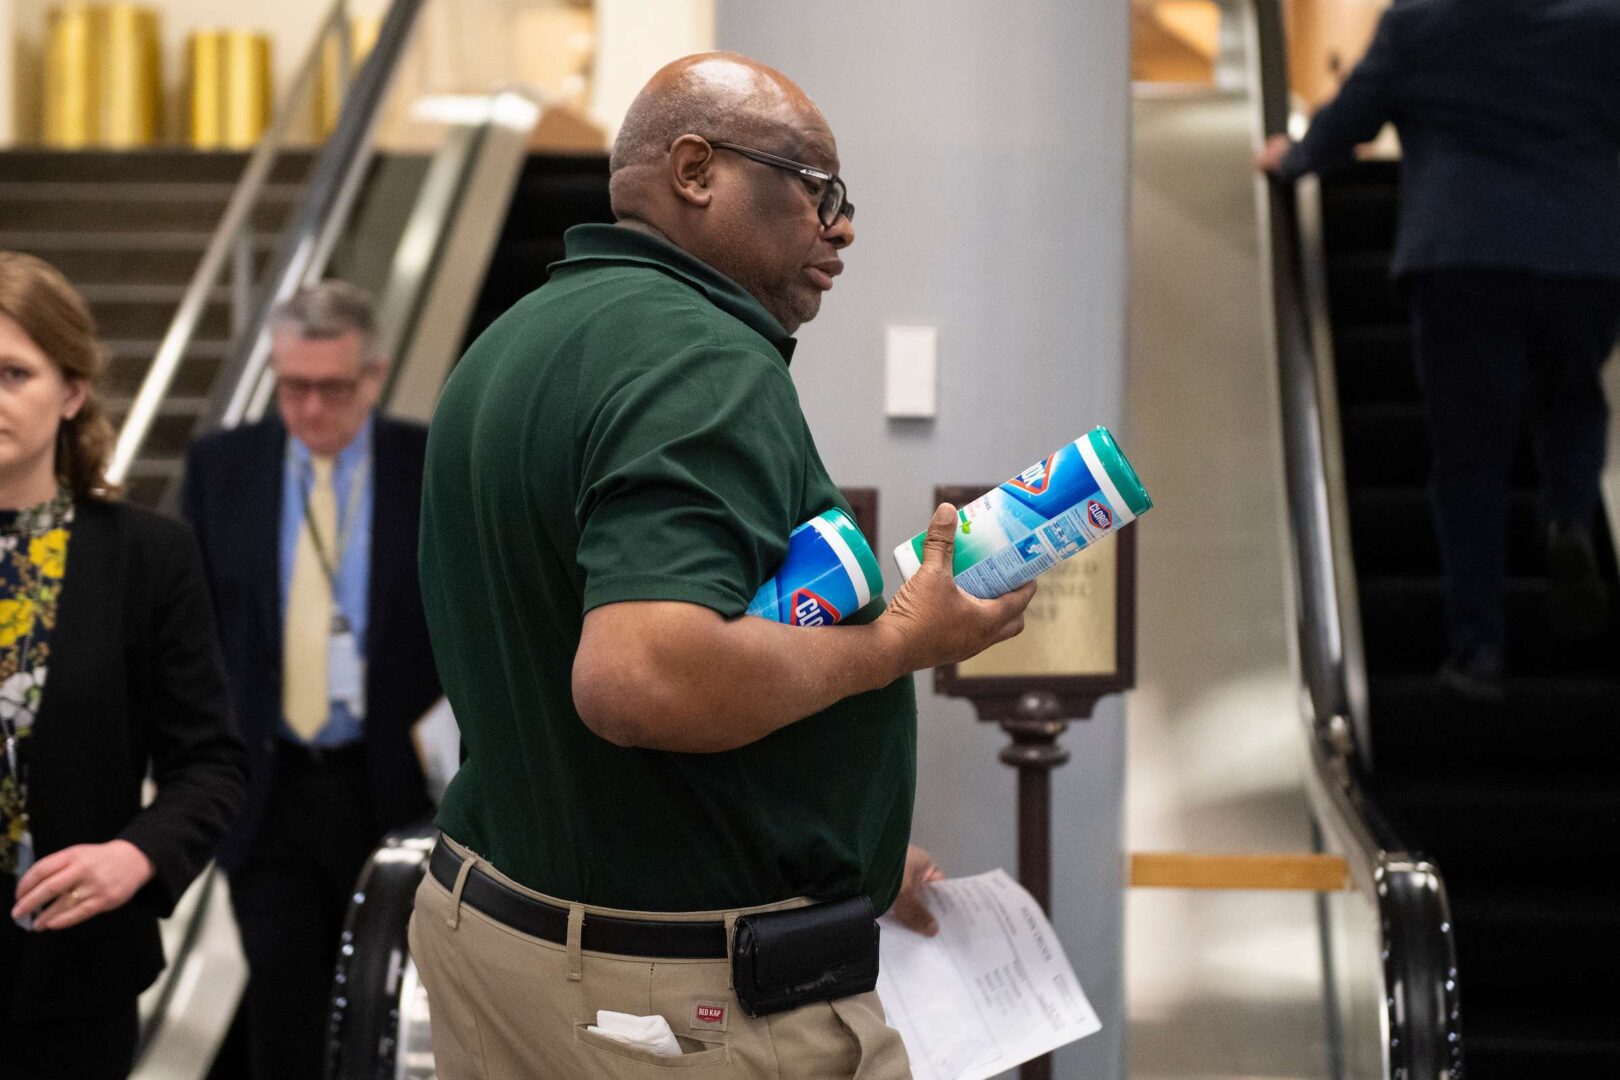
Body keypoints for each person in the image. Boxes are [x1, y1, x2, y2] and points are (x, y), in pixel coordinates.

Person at [410, 53, 1033, 1079]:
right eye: (816, 189)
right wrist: (900, 643)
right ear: (695, 170)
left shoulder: (510, 343)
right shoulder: (701, 360)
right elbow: (639, 678)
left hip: (504, 934)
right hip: (666, 1005)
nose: (840, 227)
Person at [1258, 0, 1620, 697]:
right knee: (1574, 393)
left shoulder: (1420, 25)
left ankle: (1478, 647)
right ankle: (1571, 515)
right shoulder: (1604, 24)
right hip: (1586, 253)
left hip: (1464, 255)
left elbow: (1349, 121)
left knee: (1471, 457)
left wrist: (1295, 159)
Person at [181, 281, 441, 1079]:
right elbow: (194, 629)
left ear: (373, 375)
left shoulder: (424, 464)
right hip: (267, 785)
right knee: (284, 1013)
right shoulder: (224, 466)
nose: (311, 407)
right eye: (293, 386)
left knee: (385, 1010)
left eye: (332, 387)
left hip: (389, 777)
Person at [0, 251, 246, 1079]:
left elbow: (209, 764)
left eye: (14, 373)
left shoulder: (148, 556)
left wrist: (135, 856)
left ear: (70, 393)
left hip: (72, 978)